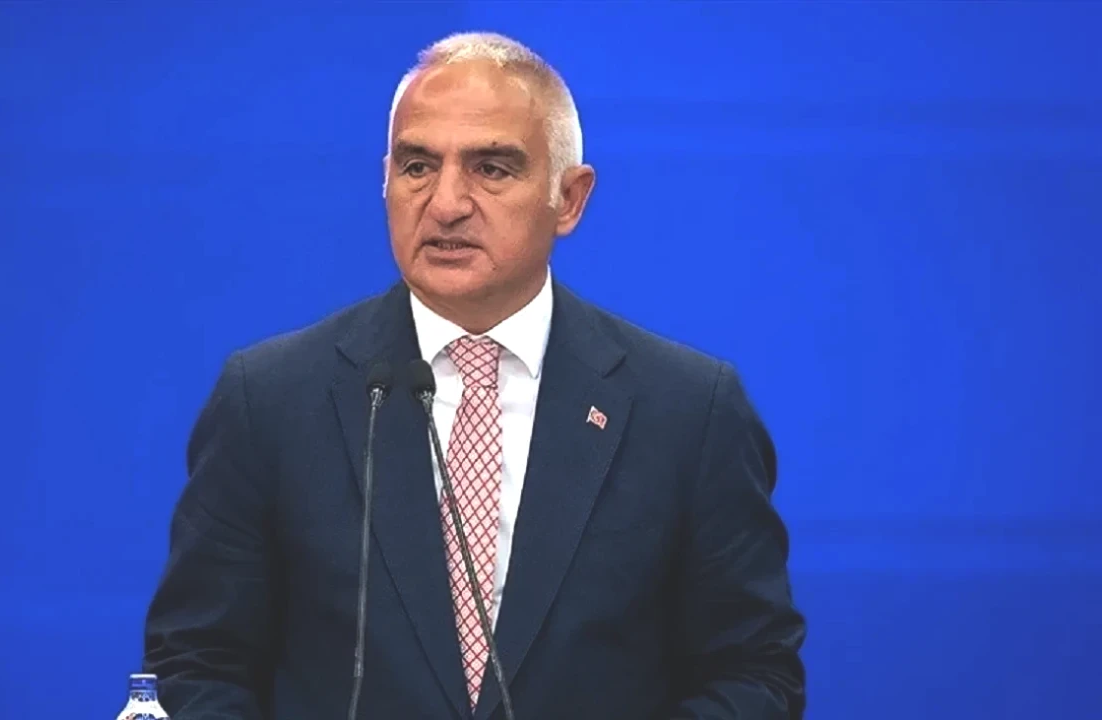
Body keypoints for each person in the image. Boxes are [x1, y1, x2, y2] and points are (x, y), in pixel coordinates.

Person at [142, 31, 806, 719]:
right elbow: (197, 665)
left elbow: (754, 674)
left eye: (491, 168)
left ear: (569, 199)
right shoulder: (270, 400)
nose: (447, 203)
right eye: (417, 166)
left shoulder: (688, 410)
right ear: (385, 181)